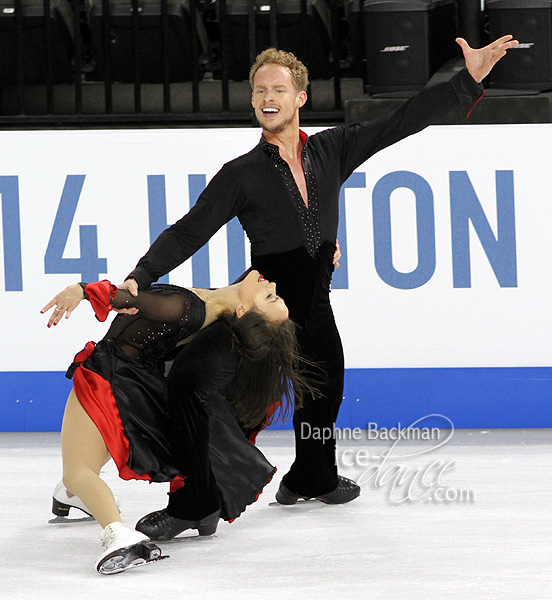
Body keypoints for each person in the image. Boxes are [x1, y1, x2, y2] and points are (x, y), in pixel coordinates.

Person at [117, 36, 518, 532]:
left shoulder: (332, 148)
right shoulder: (239, 175)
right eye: (259, 89)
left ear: (299, 98)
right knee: (192, 382)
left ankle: (311, 475)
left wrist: (467, 80)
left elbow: (401, 122)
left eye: (278, 89)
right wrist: (142, 274)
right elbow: (190, 229)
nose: (267, 97)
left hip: (315, 302)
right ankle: (194, 502)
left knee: (325, 391)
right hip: (264, 310)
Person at [41, 272, 306, 574]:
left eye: (271, 297)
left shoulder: (189, 307)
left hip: (107, 377)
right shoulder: (218, 306)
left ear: (242, 311)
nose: (272, 284)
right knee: (82, 463)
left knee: (77, 472)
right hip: (138, 386)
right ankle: (73, 496)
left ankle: (117, 534)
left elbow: (134, 301)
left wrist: (83, 290)